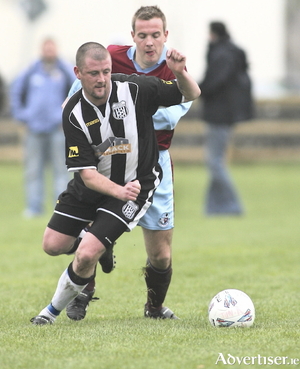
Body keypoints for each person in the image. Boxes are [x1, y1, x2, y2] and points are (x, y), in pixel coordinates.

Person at [30, 42, 200, 325]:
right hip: (95, 185)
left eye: (106, 72)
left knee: (86, 255)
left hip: (135, 186)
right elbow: (86, 174)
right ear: (78, 73)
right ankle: (99, 242)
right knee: (52, 244)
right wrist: (118, 190)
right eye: (93, 73)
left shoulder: (135, 89)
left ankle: (49, 313)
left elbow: (191, 93)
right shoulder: (72, 112)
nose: (101, 79)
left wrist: (180, 73)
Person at [65, 6, 193, 321]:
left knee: (160, 254)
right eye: (142, 35)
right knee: (89, 236)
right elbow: (76, 96)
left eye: (155, 35)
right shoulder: (111, 59)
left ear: (166, 36)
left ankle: (154, 307)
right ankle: (83, 293)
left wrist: (118, 106)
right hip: (109, 155)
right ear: (132, 35)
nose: (149, 42)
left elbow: (166, 117)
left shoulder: (175, 72)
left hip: (154, 163)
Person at [10, 38, 75, 217]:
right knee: (33, 170)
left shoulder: (64, 70)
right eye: (46, 48)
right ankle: (33, 208)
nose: (49, 51)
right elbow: (15, 91)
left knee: (61, 170)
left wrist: (67, 118)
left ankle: (60, 208)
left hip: (58, 129)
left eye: (51, 47)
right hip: (34, 129)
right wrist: (23, 116)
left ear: (56, 49)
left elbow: (76, 92)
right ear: (41, 50)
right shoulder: (31, 70)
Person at [198, 21, 254, 216]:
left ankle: (233, 206)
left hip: (219, 114)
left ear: (213, 33)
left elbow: (214, 82)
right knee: (216, 161)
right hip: (228, 114)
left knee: (215, 162)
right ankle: (213, 207)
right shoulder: (232, 52)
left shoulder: (221, 54)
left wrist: (197, 90)